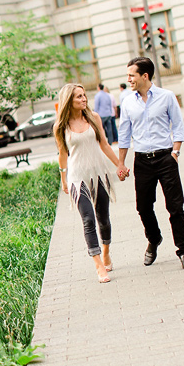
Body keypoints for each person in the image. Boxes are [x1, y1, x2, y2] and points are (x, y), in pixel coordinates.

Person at [118, 57, 184, 270]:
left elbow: (178, 126)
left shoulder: (167, 97)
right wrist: (120, 163)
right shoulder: (127, 102)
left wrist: (176, 152)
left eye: (131, 75)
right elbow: (124, 135)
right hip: (142, 160)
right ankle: (154, 238)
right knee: (143, 207)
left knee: (175, 207)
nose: (129, 79)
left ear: (145, 75)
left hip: (165, 158)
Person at [55, 83, 128, 283]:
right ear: (69, 100)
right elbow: (62, 155)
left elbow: (104, 144)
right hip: (78, 178)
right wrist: (63, 179)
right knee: (88, 220)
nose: (84, 99)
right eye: (78, 96)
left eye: (84, 95)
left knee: (103, 219)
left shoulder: (93, 118)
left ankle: (105, 251)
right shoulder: (60, 126)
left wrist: (119, 165)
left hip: (99, 174)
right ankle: (98, 265)